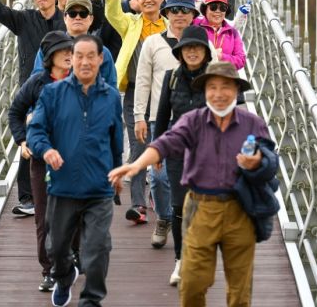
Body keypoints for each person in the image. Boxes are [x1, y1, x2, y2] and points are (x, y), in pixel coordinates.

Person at [109, 61, 277, 307]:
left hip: (240, 210)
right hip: (201, 208)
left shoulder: (252, 123)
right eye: (212, 87)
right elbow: (166, 143)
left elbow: (272, 162)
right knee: (192, 283)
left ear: (236, 91)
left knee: (240, 291)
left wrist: (257, 161)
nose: (218, 94)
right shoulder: (193, 120)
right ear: (204, 91)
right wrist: (137, 165)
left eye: (226, 87)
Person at [28, 34, 123, 307]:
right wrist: (46, 150)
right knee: (56, 249)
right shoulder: (52, 94)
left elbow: (116, 141)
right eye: (78, 56)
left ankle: (91, 300)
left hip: (99, 189)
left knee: (97, 250)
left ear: (100, 59)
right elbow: (36, 131)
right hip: (63, 187)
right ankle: (64, 276)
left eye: (90, 56)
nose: (84, 62)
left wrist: (117, 172)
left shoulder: (111, 98)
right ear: (71, 59)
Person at [0, 0, 67, 215]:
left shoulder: (67, 21)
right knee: (28, 141)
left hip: (62, 89)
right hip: (31, 90)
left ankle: (59, 190)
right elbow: (0, 12)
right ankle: (27, 198)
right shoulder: (25, 19)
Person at [133, 0, 210, 249]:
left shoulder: (203, 45)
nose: (179, 15)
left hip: (199, 125)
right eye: (174, 10)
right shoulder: (153, 43)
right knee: (158, 177)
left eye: (185, 10)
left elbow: (219, 79)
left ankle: (187, 225)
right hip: (160, 119)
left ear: (193, 15)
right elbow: (143, 81)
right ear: (166, 14)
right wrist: (139, 117)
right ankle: (165, 218)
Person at [101, 0, 168, 224]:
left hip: (165, 96)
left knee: (163, 146)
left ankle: (160, 196)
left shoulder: (172, 24)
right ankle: (139, 205)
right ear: (137, 1)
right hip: (133, 94)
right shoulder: (130, 23)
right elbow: (111, 12)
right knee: (139, 146)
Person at [8, 31, 74, 293]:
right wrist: (22, 141)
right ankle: (49, 271)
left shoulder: (82, 79)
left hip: (73, 159)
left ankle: (71, 255)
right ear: (49, 57)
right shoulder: (36, 83)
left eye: (71, 49)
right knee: (44, 218)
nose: (69, 54)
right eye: (63, 51)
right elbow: (15, 112)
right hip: (40, 159)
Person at [152, 25, 215, 286]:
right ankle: (181, 261)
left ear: (205, 52)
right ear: (179, 52)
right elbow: (163, 116)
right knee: (179, 207)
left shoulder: (216, 78)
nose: (192, 51)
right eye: (187, 47)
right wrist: (156, 149)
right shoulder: (171, 78)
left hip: (207, 153)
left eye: (197, 47)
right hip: (178, 153)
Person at [32, 0, 117, 88]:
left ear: (91, 19)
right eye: (72, 13)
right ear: (65, 18)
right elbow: (36, 81)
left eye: (83, 13)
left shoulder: (102, 52)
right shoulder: (49, 47)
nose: (78, 17)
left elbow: (111, 87)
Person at [194, 0, 246, 70]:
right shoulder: (195, 24)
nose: (218, 11)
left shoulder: (233, 32)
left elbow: (241, 60)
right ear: (205, 9)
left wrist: (221, 56)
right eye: (213, 7)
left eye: (222, 8)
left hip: (223, 78)